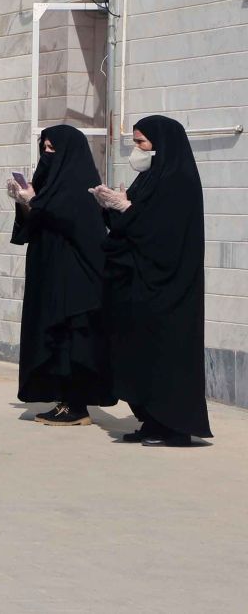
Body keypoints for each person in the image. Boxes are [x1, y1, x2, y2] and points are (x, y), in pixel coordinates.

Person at [91, 115, 212, 447]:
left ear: (161, 144)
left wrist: (128, 210)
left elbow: (163, 236)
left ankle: (175, 426)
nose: (137, 149)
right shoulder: (148, 179)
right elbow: (132, 226)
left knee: (166, 357)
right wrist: (111, 207)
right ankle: (152, 421)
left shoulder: (179, 181)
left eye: (142, 142)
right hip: (143, 286)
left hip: (170, 289)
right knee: (140, 354)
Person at [10, 125, 115, 425]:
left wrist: (35, 203)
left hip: (75, 282)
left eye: (53, 150)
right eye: (44, 148)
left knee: (73, 342)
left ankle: (77, 405)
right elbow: (36, 226)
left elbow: (70, 220)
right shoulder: (50, 184)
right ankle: (63, 399)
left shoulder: (80, 186)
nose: (46, 155)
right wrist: (26, 203)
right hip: (51, 275)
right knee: (52, 339)